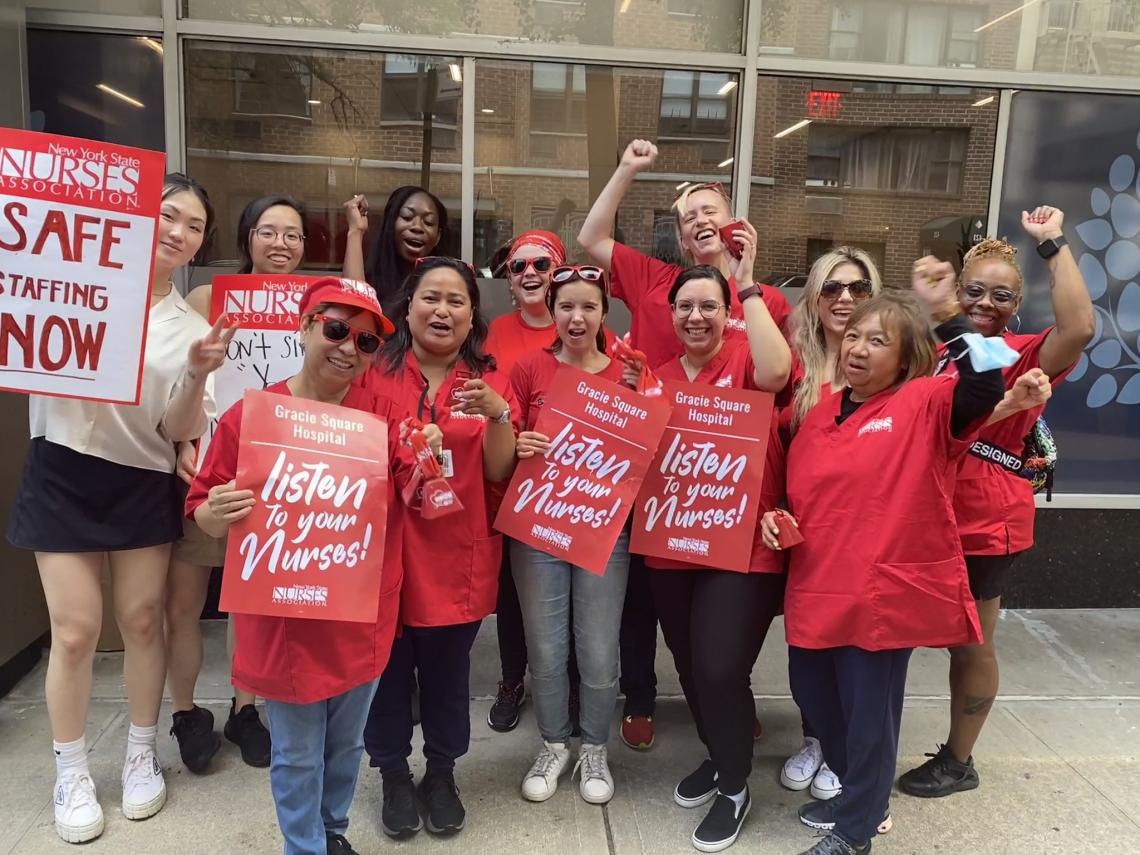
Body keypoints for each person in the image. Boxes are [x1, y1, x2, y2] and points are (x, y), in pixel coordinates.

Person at [7, 173, 230, 844]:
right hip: (62, 468)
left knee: (140, 620)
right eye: (168, 214)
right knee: (75, 631)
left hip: (141, 477)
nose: (178, 231)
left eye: (194, 225)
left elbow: (180, 427)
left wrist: (197, 371)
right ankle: (70, 769)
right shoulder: (61, 282)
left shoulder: (192, 327)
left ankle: (140, 752)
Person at [760, 260, 1006, 855]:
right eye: (854, 337)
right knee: (815, 699)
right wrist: (777, 517)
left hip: (877, 597)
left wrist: (946, 312)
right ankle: (858, 794)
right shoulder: (818, 412)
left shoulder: (924, 402)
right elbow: (802, 492)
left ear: (905, 359)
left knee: (869, 716)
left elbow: (986, 383)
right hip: (816, 586)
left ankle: (856, 829)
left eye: (877, 341)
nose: (858, 349)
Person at [578, 138, 791, 749]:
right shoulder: (656, 279)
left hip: (727, 486)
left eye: (709, 210)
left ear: (733, 221)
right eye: (687, 215)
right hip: (657, 471)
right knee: (646, 598)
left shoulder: (764, 299)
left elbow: (779, 378)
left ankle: (726, 702)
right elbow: (592, 237)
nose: (699, 220)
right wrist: (627, 167)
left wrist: (746, 286)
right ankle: (643, 697)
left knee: (721, 621)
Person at [186, 276, 402, 855]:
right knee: (299, 752)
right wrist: (215, 509)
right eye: (336, 330)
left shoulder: (385, 416)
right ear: (305, 327)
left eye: (365, 341)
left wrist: (430, 456)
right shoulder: (250, 417)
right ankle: (303, 846)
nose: (348, 348)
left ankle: (332, 832)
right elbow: (203, 513)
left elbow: (422, 492)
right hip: (287, 624)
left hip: (360, 619)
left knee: (347, 745)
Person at [897, 206, 1094, 799]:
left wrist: (1051, 242)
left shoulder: (1023, 354)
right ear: (958, 290)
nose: (986, 303)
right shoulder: (930, 347)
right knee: (890, 634)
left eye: (1001, 295)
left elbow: (1079, 327)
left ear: (1017, 304)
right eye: (975, 291)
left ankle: (958, 761)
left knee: (971, 643)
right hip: (916, 511)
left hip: (982, 519)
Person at [637, 220, 791, 852]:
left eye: (708, 306)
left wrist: (746, 283)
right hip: (673, 547)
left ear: (728, 314)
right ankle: (721, 756)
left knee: (721, 666)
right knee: (690, 666)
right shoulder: (654, 377)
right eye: (685, 307)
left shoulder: (749, 361)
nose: (695, 316)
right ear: (671, 315)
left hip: (744, 546)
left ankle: (734, 786)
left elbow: (780, 373)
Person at [361, 257, 515, 839]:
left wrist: (499, 415)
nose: (442, 310)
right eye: (431, 297)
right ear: (406, 308)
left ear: (473, 315)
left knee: (449, 678)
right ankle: (394, 774)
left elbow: (498, 469)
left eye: (456, 301)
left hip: (456, 557)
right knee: (386, 675)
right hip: (384, 554)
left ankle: (443, 773)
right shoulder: (372, 371)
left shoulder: (487, 380)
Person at [167, 193, 309, 774]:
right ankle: (184, 712)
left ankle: (244, 708)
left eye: (293, 234)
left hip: (278, 474)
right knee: (186, 600)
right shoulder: (208, 298)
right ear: (247, 236)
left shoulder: (312, 306)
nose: (281, 244)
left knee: (253, 604)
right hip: (212, 464)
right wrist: (183, 438)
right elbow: (181, 371)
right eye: (268, 230)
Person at [509, 264, 631, 806]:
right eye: (566, 307)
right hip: (539, 527)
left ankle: (596, 747)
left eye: (588, 306)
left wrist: (645, 399)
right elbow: (504, 442)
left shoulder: (627, 373)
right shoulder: (529, 368)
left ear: (604, 313)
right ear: (551, 312)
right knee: (546, 646)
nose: (576, 317)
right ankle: (554, 744)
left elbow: (649, 454)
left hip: (605, 531)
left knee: (600, 648)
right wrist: (519, 443)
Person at [482, 230, 603, 735]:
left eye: (541, 264)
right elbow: (494, 405)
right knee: (516, 598)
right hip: (517, 487)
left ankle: (570, 687)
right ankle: (513, 680)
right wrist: (515, 438)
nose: (529, 273)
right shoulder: (497, 333)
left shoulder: (590, 336)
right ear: (510, 280)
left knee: (576, 603)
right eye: (518, 266)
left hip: (577, 496)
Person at [779, 246, 883, 802]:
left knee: (858, 655)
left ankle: (851, 756)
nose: (845, 298)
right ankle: (817, 738)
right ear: (814, 299)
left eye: (858, 288)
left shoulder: (893, 367)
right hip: (805, 533)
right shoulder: (795, 363)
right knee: (809, 650)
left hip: (867, 533)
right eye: (832, 288)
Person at [343, 187, 448, 311]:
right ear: (391, 224)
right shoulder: (369, 280)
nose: (417, 227)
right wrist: (355, 231)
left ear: (438, 237)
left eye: (428, 222)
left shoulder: (447, 287)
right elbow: (353, 309)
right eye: (407, 217)